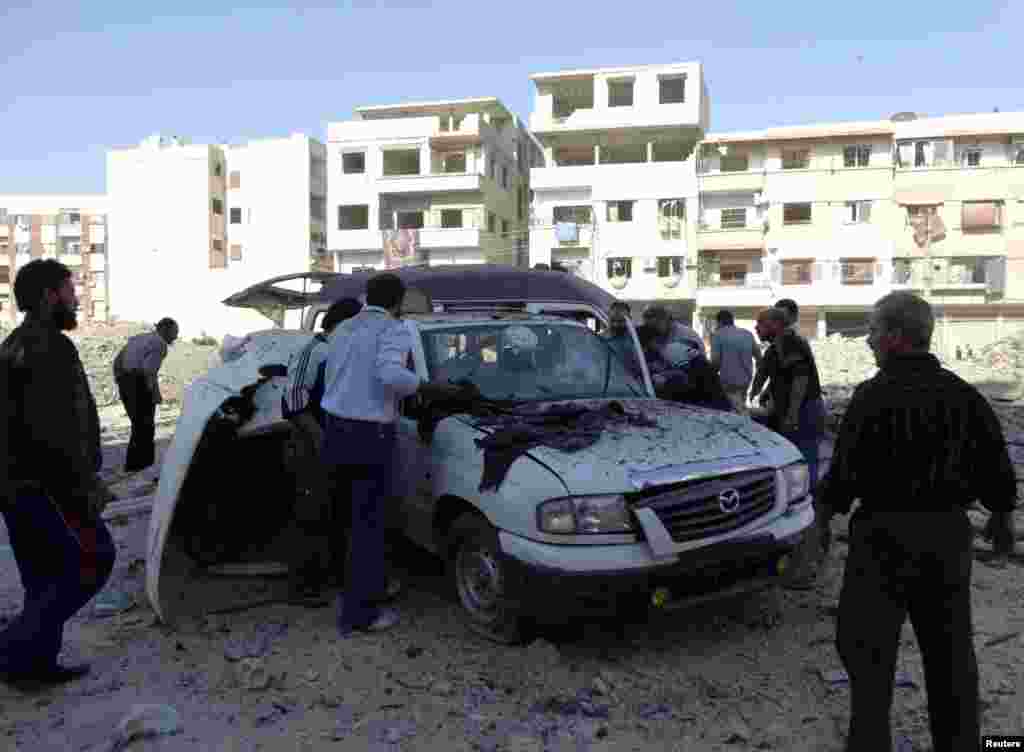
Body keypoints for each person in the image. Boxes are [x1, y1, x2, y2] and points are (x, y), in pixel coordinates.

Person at [818, 291, 1016, 752]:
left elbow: (843, 475)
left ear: (893, 336)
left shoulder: (871, 397)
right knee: (950, 656)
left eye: (871, 330)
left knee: (868, 656)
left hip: (882, 542)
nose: (867, 340)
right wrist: (1002, 518)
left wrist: (821, 523)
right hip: (946, 539)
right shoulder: (964, 396)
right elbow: (997, 471)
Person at [321, 273, 468, 635]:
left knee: (349, 520)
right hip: (369, 434)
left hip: (335, 429)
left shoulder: (344, 329)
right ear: (398, 301)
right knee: (369, 523)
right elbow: (389, 376)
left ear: (368, 297)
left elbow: (339, 377)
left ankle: (353, 595)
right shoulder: (394, 329)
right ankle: (360, 615)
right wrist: (432, 388)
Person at [0, 259, 116, 689]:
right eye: (70, 291)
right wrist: (86, 487)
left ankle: (36, 666)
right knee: (93, 560)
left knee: (42, 577)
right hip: (45, 487)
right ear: (51, 296)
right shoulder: (48, 347)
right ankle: (13, 648)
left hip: (18, 486)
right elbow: (57, 432)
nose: (76, 298)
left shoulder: (16, 343)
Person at [281, 297, 362, 607]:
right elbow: (295, 404)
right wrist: (320, 440)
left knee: (335, 514)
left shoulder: (343, 353)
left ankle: (331, 578)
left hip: (337, 443)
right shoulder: (313, 351)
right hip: (311, 445)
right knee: (310, 515)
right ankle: (300, 587)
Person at [113, 317, 178, 473]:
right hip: (138, 384)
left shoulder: (140, 338)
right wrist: (155, 394)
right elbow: (148, 372)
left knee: (138, 426)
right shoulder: (160, 344)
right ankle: (143, 467)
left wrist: (121, 380)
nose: (175, 337)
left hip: (126, 380)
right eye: (174, 333)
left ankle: (133, 465)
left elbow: (117, 361)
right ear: (165, 330)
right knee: (145, 427)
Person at [710, 310, 761, 415]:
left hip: (728, 381)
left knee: (732, 411)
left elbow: (716, 362)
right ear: (732, 320)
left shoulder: (718, 335)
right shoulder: (747, 333)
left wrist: (709, 378)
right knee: (740, 406)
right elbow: (758, 356)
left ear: (719, 322)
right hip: (746, 380)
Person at [750, 298, 798, 407]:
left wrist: (792, 416)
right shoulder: (772, 350)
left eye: (761, 322)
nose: (756, 327)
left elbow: (799, 382)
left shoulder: (794, 344)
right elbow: (763, 375)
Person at [600, 301, 643, 378]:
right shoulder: (599, 340)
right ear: (608, 318)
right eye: (613, 320)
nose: (616, 324)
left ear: (629, 319)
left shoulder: (637, 338)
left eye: (621, 321)